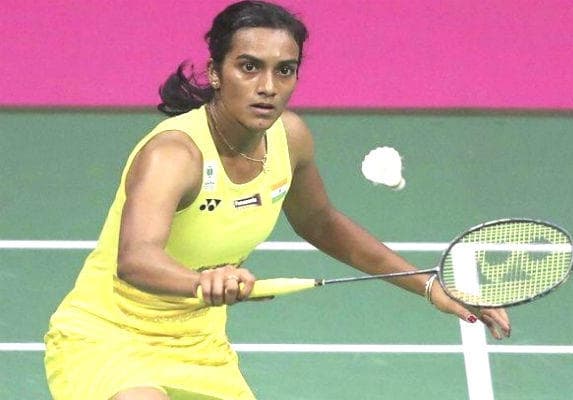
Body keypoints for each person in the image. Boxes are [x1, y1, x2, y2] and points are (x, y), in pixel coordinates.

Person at [44, 1, 511, 399]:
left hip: (198, 344)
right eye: (249, 67)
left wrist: (428, 284)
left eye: (284, 70)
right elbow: (135, 258)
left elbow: (320, 222)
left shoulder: (290, 138)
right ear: (215, 72)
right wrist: (201, 281)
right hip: (108, 336)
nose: (268, 86)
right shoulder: (175, 154)